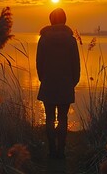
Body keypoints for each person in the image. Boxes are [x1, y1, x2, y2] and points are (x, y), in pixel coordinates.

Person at [36, 8, 80, 159]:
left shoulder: (43, 39)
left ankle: (51, 150)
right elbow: (76, 64)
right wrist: (72, 82)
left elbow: (39, 63)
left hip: (48, 83)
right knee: (63, 117)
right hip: (65, 84)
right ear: (65, 20)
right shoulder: (71, 40)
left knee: (49, 117)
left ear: (51, 20)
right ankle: (61, 151)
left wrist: (44, 79)